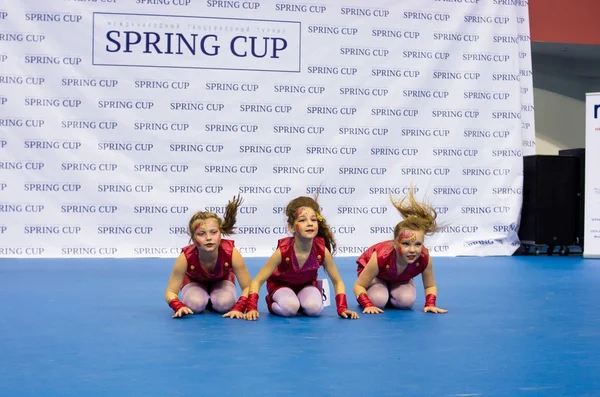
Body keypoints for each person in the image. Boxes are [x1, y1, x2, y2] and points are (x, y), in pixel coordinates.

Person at [245, 196, 359, 320]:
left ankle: (300, 302)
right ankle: (272, 302)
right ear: (291, 227)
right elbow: (257, 281)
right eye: (302, 220)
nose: (309, 223)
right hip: (280, 286)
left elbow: (338, 281)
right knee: (290, 308)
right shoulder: (283, 251)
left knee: (315, 309)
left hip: (306, 286)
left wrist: (342, 307)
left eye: (313, 219)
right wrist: (252, 307)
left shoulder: (321, 251)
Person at [353, 187, 448, 315]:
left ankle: (392, 291)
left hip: (399, 278)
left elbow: (430, 286)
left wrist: (430, 303)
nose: (412, 250)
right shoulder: (380, 257)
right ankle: (382, 292)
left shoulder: (424, 257)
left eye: (418, 244)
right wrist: (367, 304)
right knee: (378, 300)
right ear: (395, 243)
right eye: (406, 244)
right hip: (376, 276)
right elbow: (358, 286)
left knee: (406, 302)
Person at [164, 195, 252, 319]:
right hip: (194, 281)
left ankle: (215, 301)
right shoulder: (185, 257)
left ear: (220, 233)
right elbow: (171, 291)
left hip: (223, 280)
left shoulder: (231, 253)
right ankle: (203, 299)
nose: (208, 238)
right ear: (193, 238)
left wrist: (239, 307)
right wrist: (178, 306)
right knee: (195, 305)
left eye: (213, 232)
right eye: (201, 233)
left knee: (225, 304)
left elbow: (248, 286)